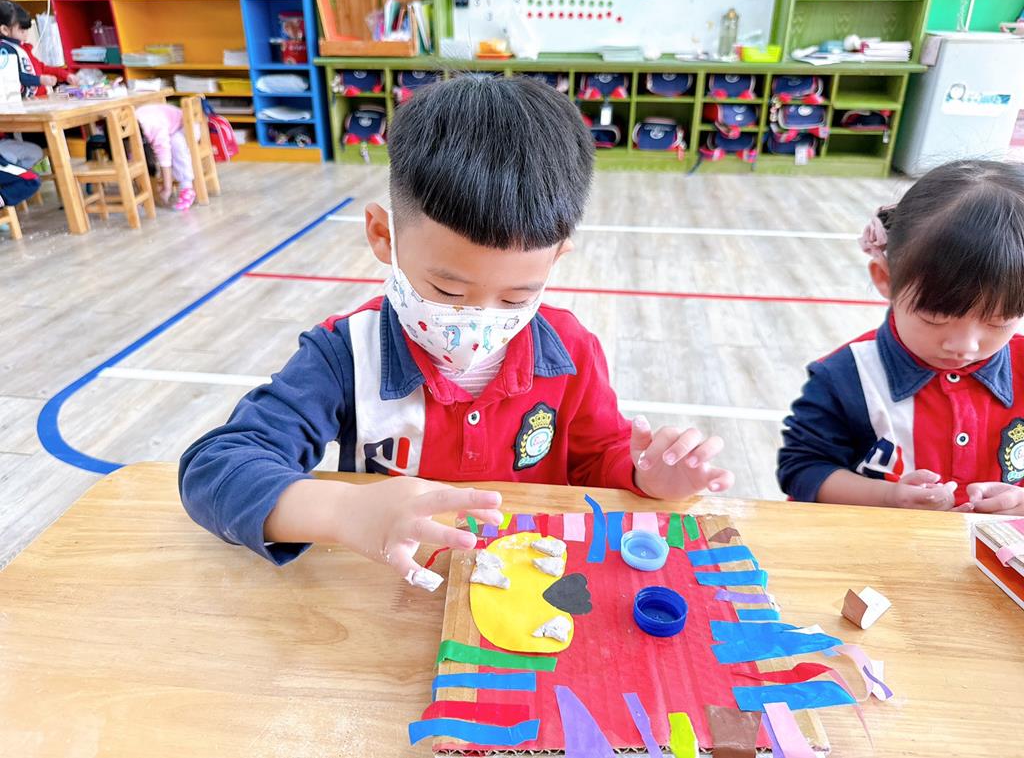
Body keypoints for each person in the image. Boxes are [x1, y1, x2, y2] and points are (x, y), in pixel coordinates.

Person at [179, 75, 734, 589]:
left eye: (516, 297)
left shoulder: (570, 351)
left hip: (527, 587)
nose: (480, 321)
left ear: (557, 259)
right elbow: (216, 468)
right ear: (383, 236)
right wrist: (345, 511)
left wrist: (644, 476)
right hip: (391, 590)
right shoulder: (346, 355)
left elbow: (596, 460)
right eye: (447, 291)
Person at [778, 160, 1024, 515]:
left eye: (999, 321)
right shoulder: (847, 377)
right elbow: (802, 470)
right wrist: (889, 498)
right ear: (885, 278)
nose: (964, 346)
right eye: (935, 317)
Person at [0, 0, 76, 98]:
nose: (26, 35)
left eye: (27, 30)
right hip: (24, 103)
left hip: (38, 99)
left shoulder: (22, 48)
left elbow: (41, 68)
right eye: (22, 31)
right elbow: (13, 77)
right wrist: (39, 80)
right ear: (5, 30)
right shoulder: (4, 51)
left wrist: (65, 75)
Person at [134, 103, 196, 211]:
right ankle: (149, 191)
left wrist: (167, 188)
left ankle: (187, 187)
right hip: (165, 126)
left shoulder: (154, 126)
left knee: (176, 143)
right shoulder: (133, 131)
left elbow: (164, 157)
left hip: (187, 125)